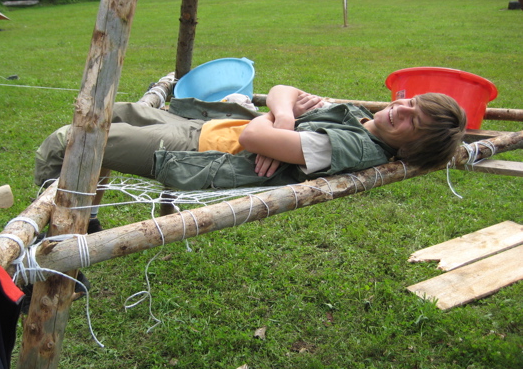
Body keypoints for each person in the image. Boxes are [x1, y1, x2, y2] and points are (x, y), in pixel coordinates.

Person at [34, 84, 466, 230]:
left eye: (414, 121)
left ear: (412, 147)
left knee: (71, 141)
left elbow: (254, 136)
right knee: (106, 115)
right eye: (412, 102)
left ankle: (59, 243)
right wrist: (284, 118)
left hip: (195, 152)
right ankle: (87, 220)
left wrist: (273, 129)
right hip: (201, 125)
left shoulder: (355, 146)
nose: (401, 109)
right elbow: (283, 91)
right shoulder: (357, 116)